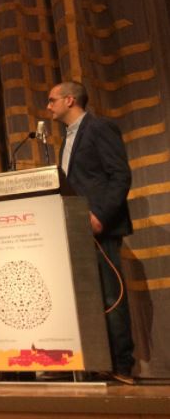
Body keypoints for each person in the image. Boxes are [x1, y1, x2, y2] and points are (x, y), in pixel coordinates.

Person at [47, 81, 135, 384]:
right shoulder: (66, 139)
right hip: (77, 227)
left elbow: (120, 175)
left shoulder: (99, 128)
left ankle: (122, 365)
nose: (48, 106)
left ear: (70, 100)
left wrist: (101, 217)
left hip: (101, 226)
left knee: (111, 294)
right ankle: (97, 361)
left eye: (52, 100)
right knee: (88, 297)